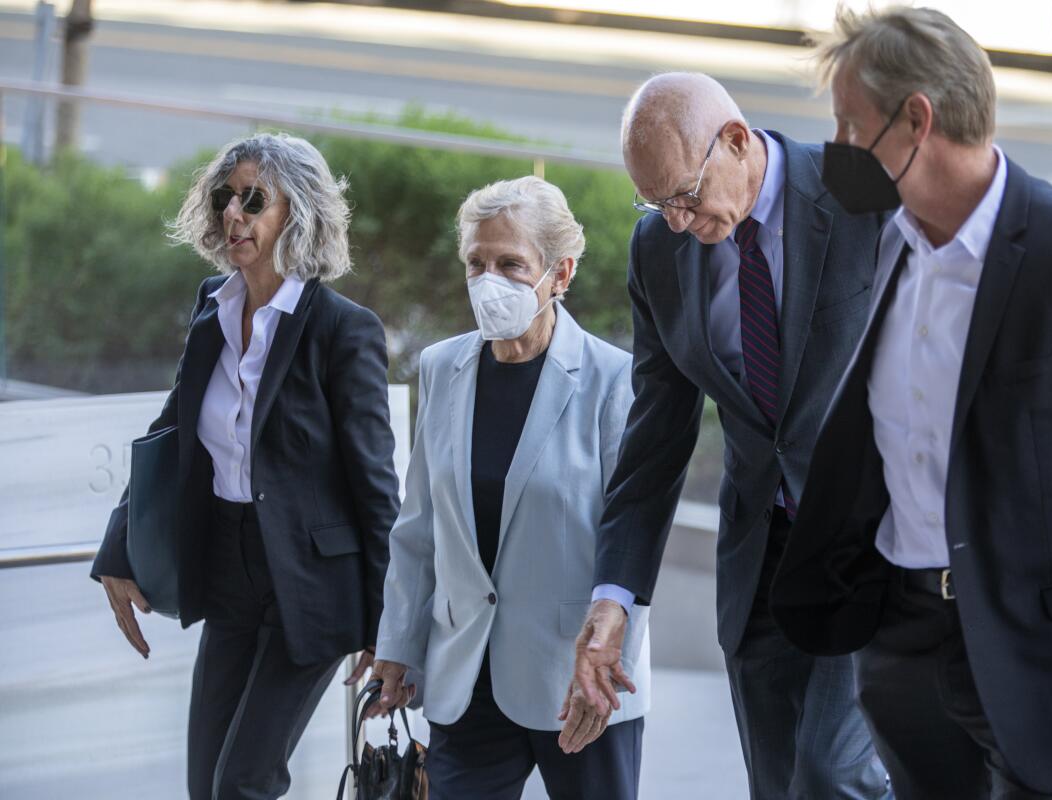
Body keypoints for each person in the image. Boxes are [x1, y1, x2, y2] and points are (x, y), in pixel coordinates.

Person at [769, 7, 1052, 800]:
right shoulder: (879, 240)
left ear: (916, 121)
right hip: (901, 641)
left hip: (1043, 660)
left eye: (847, 124)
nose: (835, 148)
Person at [569, 72, 890, 799]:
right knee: (777, 785)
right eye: (655, 203)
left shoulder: (857, 194)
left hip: (865, 545)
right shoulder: (658, 252)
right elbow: (654, 438)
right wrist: (615, 595)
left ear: (738, 142)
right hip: (761, 560)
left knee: (833, 777)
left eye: (683, 195)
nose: (676, 220)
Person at [90, 132, 401, 800]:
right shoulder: (213, 306)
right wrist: (118, 547)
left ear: (300, 213)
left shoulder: (344, 331)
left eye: (254, 199)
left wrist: (389, 625)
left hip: (313, 591)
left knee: (244, 782)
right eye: (224, 198)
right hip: (229, 574)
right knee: (206, 786)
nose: (234, 214)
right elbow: (172, 431)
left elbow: (376, 485)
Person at [369, 176, 649, 800]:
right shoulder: (443, 368)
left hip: (577, 682)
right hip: (466, 679)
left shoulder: (614, 381)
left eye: (511, 264)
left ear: (561, 272)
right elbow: (419, 527)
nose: (488, 279)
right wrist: (398, 646)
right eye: (477, 262)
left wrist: (610, 665)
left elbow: (634, 538)